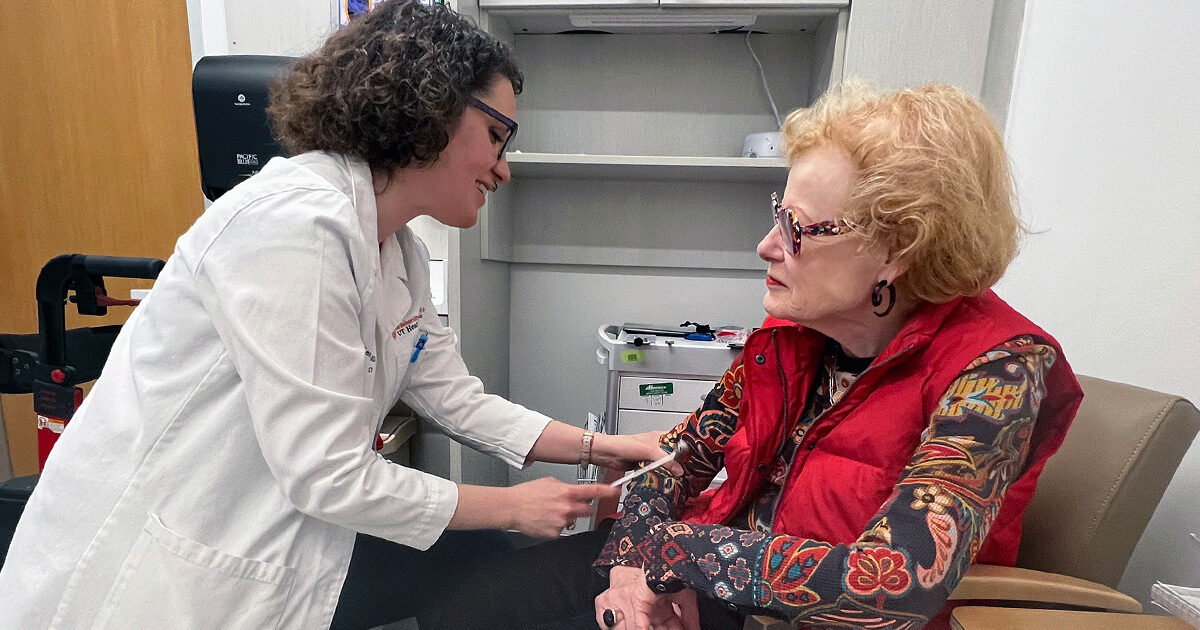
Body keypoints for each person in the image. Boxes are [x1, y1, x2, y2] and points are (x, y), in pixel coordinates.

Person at [0, 3, 665, 628]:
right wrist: (517, 505)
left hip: (271, 525)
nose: (503, 168)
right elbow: (329, 474)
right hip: (165, 557)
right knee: (483, 549)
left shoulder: (392, 243)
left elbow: (453, 398)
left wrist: (605, 448)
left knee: (478, 555)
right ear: (431, 109)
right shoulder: (299, 224)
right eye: (497, 136)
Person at [431, 82, 1084, 630]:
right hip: (721, 580)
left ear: (898, 248)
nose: (766, 246)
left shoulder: (998, 370)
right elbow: (676, 462)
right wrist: (633, 571)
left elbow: (895, 583)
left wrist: (675, 561)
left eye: (796, 228)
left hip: (807, 615)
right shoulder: (791, 340)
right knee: (459, 609)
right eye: (778, 214)